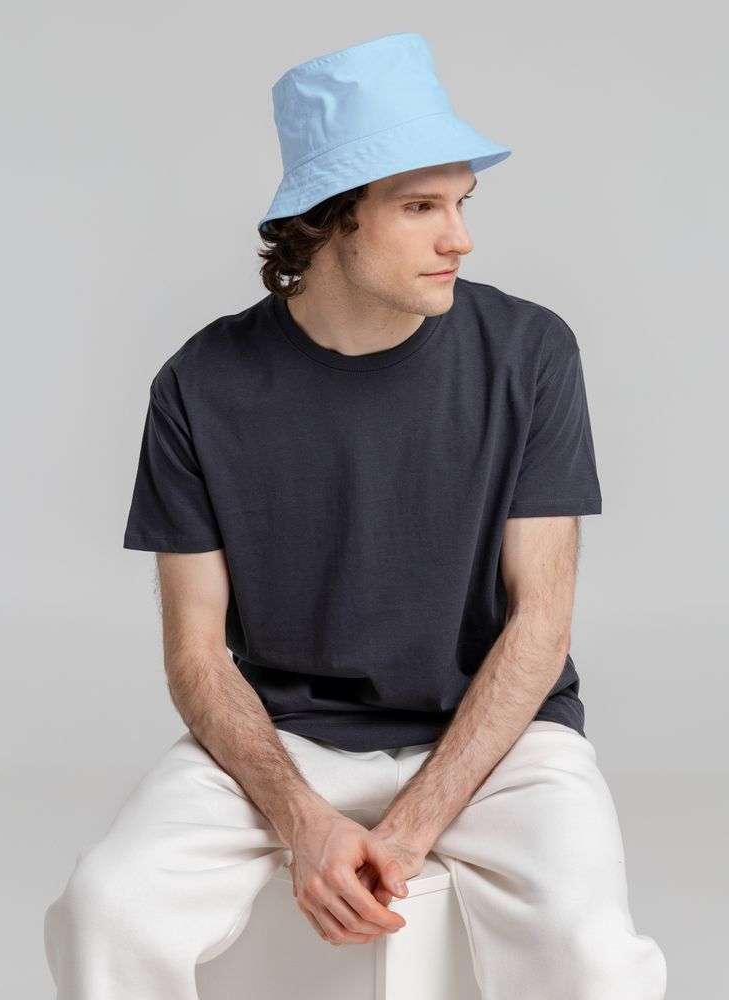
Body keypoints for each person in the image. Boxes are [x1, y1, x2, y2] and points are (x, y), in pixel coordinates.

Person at [43, 31, 668, 999]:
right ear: (327, 222)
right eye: (420, 207)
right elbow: (197, 656)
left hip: (504, 738)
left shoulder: (530, 352)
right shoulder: (200, 385)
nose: (459, 238)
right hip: (286, 737)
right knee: (105, 910)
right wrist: (303, 820)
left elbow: (541, 623)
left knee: (590, 954)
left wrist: (408, 833)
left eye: (461, 203)